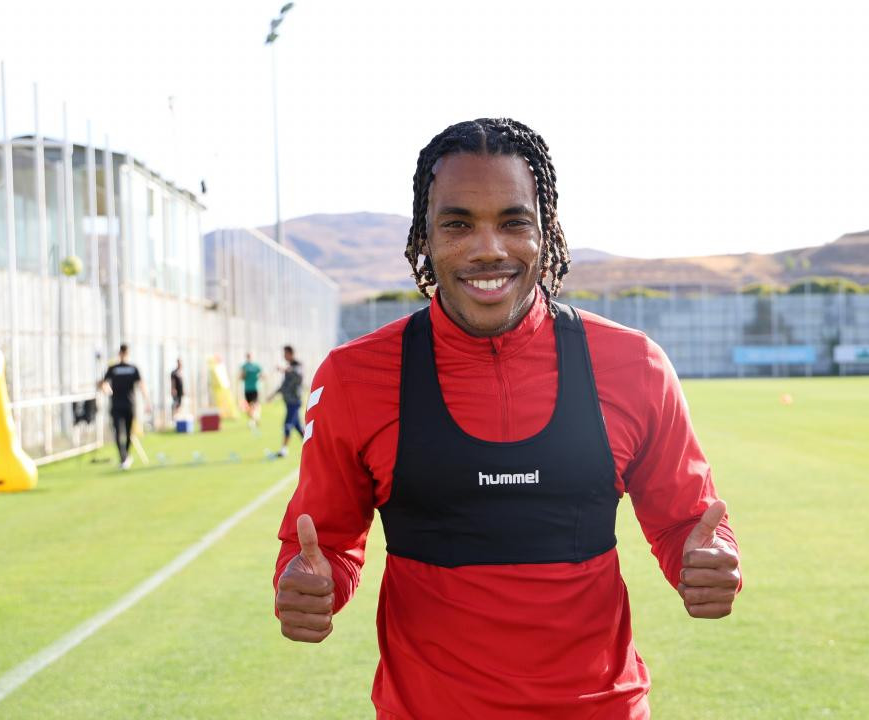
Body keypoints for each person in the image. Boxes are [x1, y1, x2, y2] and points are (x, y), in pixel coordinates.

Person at [274, 118, 740, 718]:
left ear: (546, 231)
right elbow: (325, 543)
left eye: (514, 222)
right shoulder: (354, 377)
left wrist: (707, 561)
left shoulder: (634, 365)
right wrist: (309, 584)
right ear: (424, 235)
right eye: (458, 224)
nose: (488, 248)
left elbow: (688, 525)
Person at [100, 344, 151, 470]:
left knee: (128, 433)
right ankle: (123, 457)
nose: (124, 355)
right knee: (118, 432)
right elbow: (103, 383)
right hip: (116, 405)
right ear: (120, 354)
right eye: (122, 353)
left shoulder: (133, 369)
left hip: (129, 405)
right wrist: (107, 390)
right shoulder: (113, 368)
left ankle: (126, 456)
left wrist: (147, 401)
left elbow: (141, 385)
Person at [271, 345, 304, 458]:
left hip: (294, 402)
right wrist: (273, 395)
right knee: (298, 427)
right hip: (289, 402)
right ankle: (314, 446)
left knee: (287, 425)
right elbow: (284, 385)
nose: (284, 355)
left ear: (290, 354)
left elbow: (298, 375)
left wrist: (286, 370)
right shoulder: (289, 367)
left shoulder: (297, 365)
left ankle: (283, 450)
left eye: (285, 353)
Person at [239, 352, 264, 429]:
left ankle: (255, 418)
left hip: (255, 388)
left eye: (250, 356)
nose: (249, 358)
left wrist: (260, 377)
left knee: (254, 404)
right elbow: (241, 377)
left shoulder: (256, 366)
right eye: (248, 356)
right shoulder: (244, 366)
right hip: (247, 389)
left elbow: (262, 375)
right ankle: (254, 419)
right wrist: (244, 374)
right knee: (249, 406)